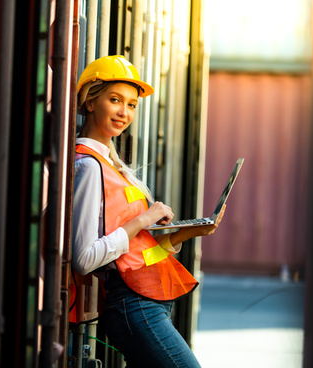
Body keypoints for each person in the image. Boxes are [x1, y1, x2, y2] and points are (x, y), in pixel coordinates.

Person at [71, 55, 223, 368]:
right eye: (115, 100)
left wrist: (189, 232)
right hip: (133, 306)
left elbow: (133, 255)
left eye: (131, 105)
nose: (124, 112)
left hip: (148, 302)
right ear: (89, 102)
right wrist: (144, 218)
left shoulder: (113, 167)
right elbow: (84, 258)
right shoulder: (87, 166)